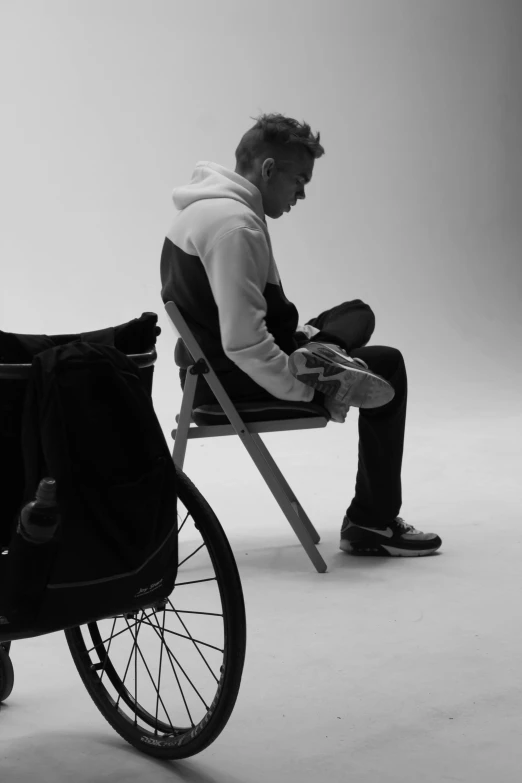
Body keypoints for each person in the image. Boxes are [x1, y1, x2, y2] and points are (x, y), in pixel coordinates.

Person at [160, 113, 442, 557]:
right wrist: (304, 392)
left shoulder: (204, 210)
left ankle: (322, 352)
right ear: (269, 169)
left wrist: (300, 337)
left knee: (354, 313)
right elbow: (244, 343)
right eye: (300, 179)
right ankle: (373, 521)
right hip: (233, 379)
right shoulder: (235, 226)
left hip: (207, 373)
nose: (302, 193)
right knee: (388, 363)